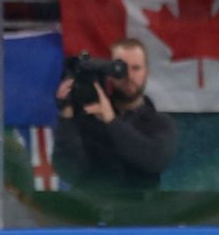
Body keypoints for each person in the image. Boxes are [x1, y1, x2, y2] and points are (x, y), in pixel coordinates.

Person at [51, 37, 176, 193]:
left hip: (138, 211)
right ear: (109, 73)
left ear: (147, 73)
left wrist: (111, 121)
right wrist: (66, 116)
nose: (129, 76)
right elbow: (69, 171)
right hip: (94, 210)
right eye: (121, 68)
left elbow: (154, 160)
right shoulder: (89, 118)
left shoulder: (161, 123)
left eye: (136, 68)